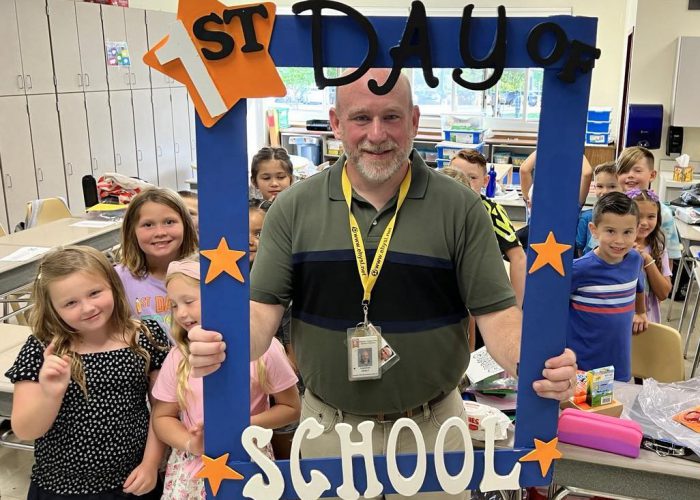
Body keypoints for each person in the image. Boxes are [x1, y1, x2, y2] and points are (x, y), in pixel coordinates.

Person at [188, 68, 577, 500]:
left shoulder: (461, 207)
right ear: (336, 123)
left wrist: (535, 361)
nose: (377, 134)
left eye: (391, 117)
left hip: (434, 431)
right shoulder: (293, 208)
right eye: (361, 118)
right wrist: (227, 343)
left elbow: (496, 313)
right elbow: (262, 311)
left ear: (413, 121)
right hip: (327, 431)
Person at [6, 246, 169, 499]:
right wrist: (51, 394)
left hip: (132, 481)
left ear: (113, 286)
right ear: (52, 308)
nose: (87, 307)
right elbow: (26, 430)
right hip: (60, 488)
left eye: (95, 293)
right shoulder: (44, 349)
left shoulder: (145, 336)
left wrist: (150, 464)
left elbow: (164, 408)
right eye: (70, 303)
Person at [152, 259, 300, 498]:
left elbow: (291, 408)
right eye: (173, 305)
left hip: (250, 461)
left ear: (220, 299)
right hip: (193, 469)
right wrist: (190, 442)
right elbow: (162, 417)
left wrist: (244, 425)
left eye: (189, 302)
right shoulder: (178, 357)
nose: (181, 313)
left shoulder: (265, 350)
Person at [567, 193, 647, 382]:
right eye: (610, 231)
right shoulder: (578, 270)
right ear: (594, 230)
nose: (619, 241)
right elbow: (551, 307)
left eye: (627, 232)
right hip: (582, 367)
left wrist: (641, 312)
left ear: (637, 231)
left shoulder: (635, 260)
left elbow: (639, 287)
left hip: (619, 365)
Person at [446, 150, 526, 307]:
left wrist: (516, 309)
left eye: (472, 177)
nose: (463, 182)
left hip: (479, 297)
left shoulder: (492, 212)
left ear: (486, 181)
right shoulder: (435, 207)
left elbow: (519, 258)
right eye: (456, 175)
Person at [115, 188, 199, 331]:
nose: (160, 233)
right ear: (132, 231)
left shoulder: (203, 271)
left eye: (169, 222)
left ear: (186, 224)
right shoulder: (118, 279)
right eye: (148, 225)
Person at [616, 146, 682, 265]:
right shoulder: (612, 208)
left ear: (652, 175)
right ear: (617, 176)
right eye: (624, 171)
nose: (630, 175)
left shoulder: (663, 213)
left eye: (637, 170)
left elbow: (669, 258)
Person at [627, 188, 672, 323]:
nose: (644, 222)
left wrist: (647, 259)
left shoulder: (658, 248)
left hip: (648, 321)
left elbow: (663, 293)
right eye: (638, 216)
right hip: (618, 320)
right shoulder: (616, 247)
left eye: (651, 216)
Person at [575, 161, 621, 256]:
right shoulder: (586, 217)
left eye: (612, 186)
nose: (604, 192)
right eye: (600, 186)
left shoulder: (627, 216)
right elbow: (580, 249)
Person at [520, 151, 593, 208]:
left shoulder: (535, 196)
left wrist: (543, 147)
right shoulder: (573, 201)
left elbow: (524, 170)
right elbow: (587, 174)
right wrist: (575, 149)